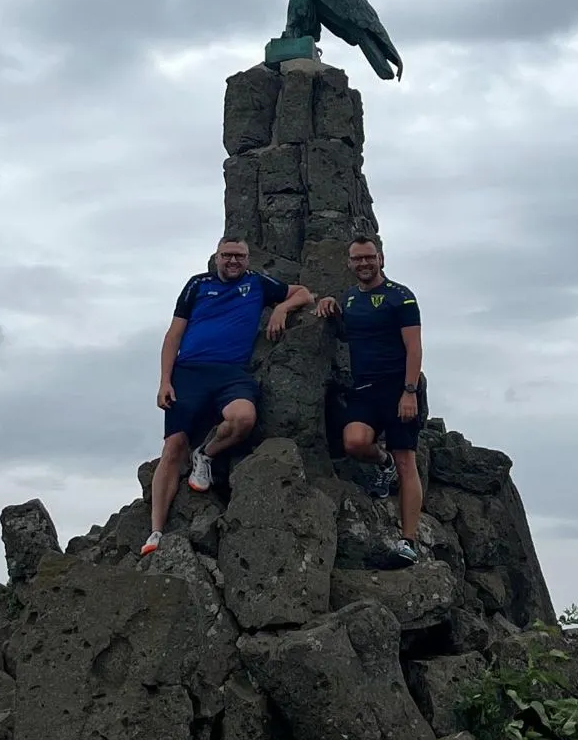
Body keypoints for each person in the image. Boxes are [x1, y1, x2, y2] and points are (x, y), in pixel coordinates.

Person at [142, 237, 312, 555]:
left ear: (248, 259)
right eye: (227, 255)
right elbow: (174, 334)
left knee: (243, 417)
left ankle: (205, 454)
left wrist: (282, 308)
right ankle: (156, 532)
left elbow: (304, 292)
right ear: (217, 257)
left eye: (239, 256)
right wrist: (165, 381)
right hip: (189, 372)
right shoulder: (197, 285)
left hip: (231, 373)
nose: (233, 261)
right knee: (173, 446)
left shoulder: (257, 283)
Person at [316, 232, 424, 564]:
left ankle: (408, 541)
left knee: (406, 461)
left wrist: (409, 392)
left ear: (381, 259)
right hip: (365, 388)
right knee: (354, 442)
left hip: (399, 388)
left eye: (369, 257)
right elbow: (346, 331)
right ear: (349, 264)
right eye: (357, 258)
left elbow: (414, 347)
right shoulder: (349, 298)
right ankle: (382, 463)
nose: (364, 263)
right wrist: (329, 306)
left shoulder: (400, 297)